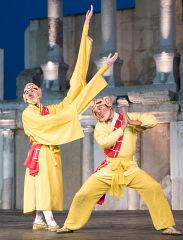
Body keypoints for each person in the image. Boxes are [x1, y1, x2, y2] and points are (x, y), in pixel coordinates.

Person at [22, 5, 118, 232]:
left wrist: (102, 65)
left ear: (39, 93)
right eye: (28, 93)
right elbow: (55, 120)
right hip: (39, 153)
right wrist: (71, 112)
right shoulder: (29, 114)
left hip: (49, 151)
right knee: (44, 186)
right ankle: (49, 219)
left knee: (49, 185)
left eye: (34, 90)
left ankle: (38, 220)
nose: (32, 94)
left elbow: (75, 89)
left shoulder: (47, 110)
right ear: (26, 99)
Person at [57, 96, 182, 235]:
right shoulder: (100, 126)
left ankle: (166, 225)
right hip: (109, 168)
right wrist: (123, 127)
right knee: (83, 194)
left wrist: (133, 122)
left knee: (154, 188)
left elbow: (151, 121)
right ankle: (69, 225)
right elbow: (106, 142)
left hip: (129, 168)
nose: (98, 113)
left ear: (109, 106)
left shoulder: (128, 117)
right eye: (95, 112)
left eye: (100, 108)